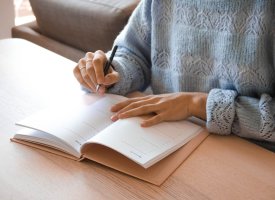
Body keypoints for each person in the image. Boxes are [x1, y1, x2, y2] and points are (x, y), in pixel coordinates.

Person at [73, 0, 275, 151]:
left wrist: (197, 104)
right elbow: (134, 53)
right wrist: (112, 72)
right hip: (162, 138)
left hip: (248, 154)